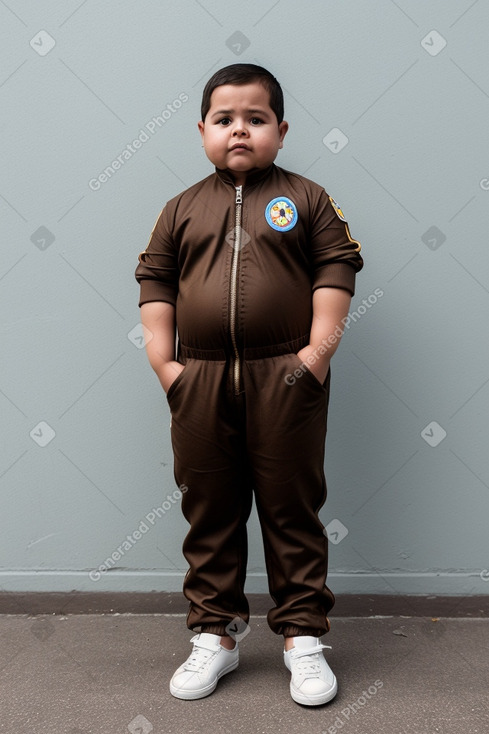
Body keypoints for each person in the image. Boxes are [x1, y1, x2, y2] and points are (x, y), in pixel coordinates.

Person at [134, 63, 363, 706]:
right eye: (225, 119)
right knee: (210, 508)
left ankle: (302, 638)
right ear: (202, 130)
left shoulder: (309, 199)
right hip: (199, 378)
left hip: (284, 377)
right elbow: (155, 283)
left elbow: (336, 271)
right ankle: (217, 635)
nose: (241, 130)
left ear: (281, 131)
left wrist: (313, 359)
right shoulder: (180, 209)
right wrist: (166, 366)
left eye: (256, 119)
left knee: (292, 509)